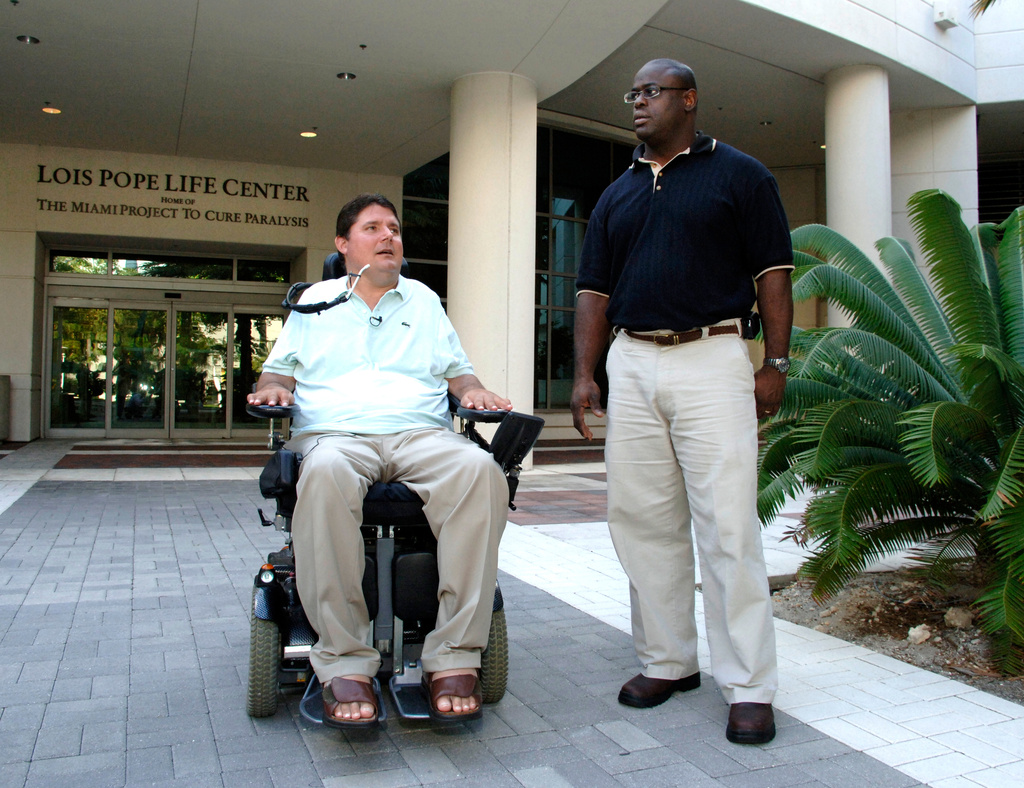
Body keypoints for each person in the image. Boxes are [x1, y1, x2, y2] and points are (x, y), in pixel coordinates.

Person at [570, 59, 794, 745]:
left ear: (688, 99)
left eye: (651, 92)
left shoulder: (742, 176)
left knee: (727, 524)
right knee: (641, 520)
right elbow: (592, 291)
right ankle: (668, 660)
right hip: (631, 361)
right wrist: (585, 374)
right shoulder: (618, 193)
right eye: (633, 94)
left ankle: (749, 684)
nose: (638, 103)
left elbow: (774, 275)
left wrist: (776, 362)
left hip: (713, 355)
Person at [248, 193, 512, 728]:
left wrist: (476, 391)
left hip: (419, 433)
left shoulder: (423, 300)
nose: (389, 235)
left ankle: (455, 655)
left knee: (481, 471)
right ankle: (345, 659)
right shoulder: (313, 301)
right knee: (320, 474)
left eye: (393, 227)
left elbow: (458, 373)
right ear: (344, 245)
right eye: (373, 228)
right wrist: (273, 391)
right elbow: (277, 374)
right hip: (335, 435)